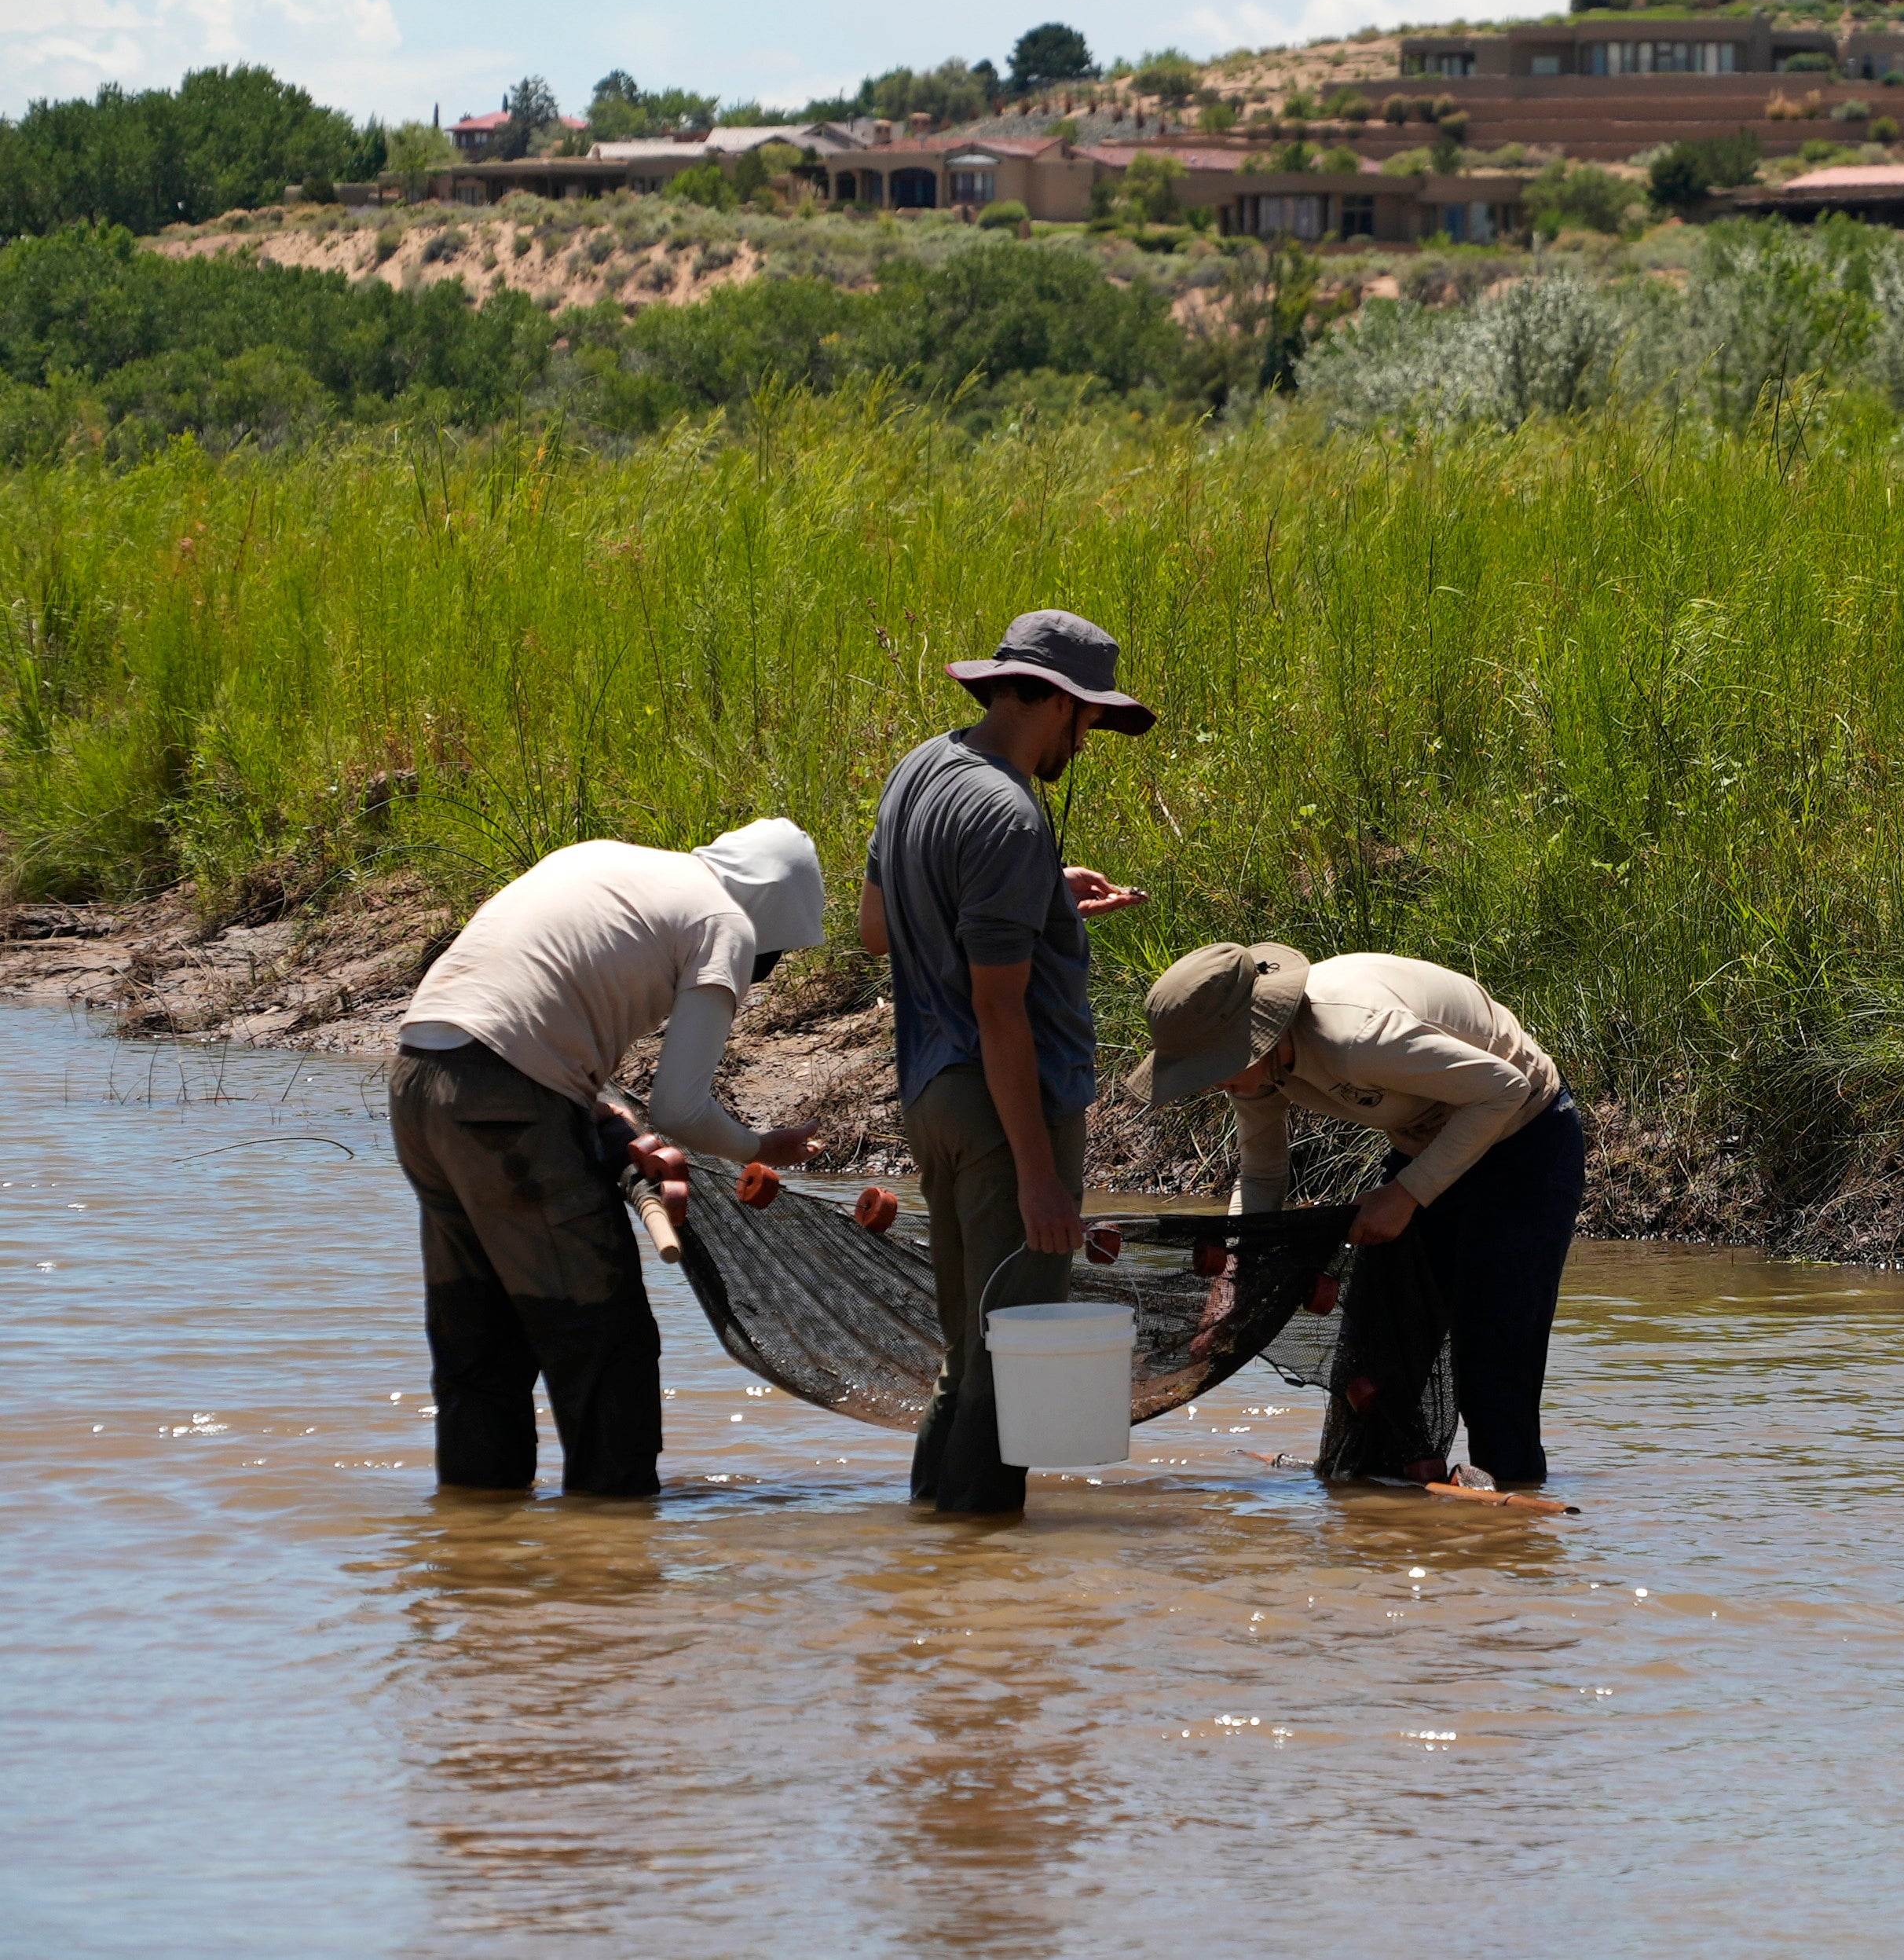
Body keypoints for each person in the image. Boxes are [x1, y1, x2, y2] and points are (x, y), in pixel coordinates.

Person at [390, 818, 829, 1499]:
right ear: (773, 913)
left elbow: (527, 995)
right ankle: (612, 1553)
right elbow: (680, 1109)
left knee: (480, 1341)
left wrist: (593, 1107)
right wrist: (758, 1146)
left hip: (418, 1079)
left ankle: (476, 1551)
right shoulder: (726, 923)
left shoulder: (609, 859)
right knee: (604, 1338)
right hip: (504, 1105)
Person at [860, 609, 1152, 1516]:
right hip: (1002, 1115)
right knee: (1012, 1361)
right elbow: (999, 1009)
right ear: (1058, 704)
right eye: (1092, 720)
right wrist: (1038, 1177)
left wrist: (1041, 901)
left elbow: (878, 930)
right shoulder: (1010, 815)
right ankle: (985, 1605)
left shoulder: (923, 767)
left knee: (966, 1351)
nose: (1090, 738)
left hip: (930, 1097)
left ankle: (935, 1558)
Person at [1126, 943, 1583, 1489]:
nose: (1209, 1081)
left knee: (1492, 1366)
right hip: (1429, 1144)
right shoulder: (1254, 1070)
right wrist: (1232, 1281)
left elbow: (1504, 1088)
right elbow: (1263, 1174)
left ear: (1260, 1032)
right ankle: (1378, 1528)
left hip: (1523, 1140)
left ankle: (1514, 1528)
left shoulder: (1356, 1038)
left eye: (1213, 1065)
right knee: (1377, 1366)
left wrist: (1407, 1193)